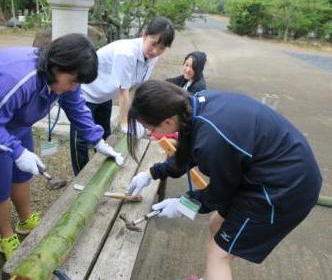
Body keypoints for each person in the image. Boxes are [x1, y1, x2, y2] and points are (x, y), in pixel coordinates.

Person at [126, 80, 322, 280]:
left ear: (167, 121)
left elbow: (220, 194)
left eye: (151, 129)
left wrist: (182, 205)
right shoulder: (194, 106)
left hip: (282, 190)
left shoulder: (212, 138)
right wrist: (152, 173)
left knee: (218, 256)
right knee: (216, 225)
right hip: (274, 172)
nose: (152, 134)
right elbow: (187, 153)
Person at [0, 33, 123, 259]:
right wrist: (16, 150)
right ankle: (6, 237)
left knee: (22, 170)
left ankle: (25, 220)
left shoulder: (64, 79)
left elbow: (77, 108)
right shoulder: (17, 78)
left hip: (14, 115)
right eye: (73, 81)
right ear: (57, 66)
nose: (74, 87)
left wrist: (97, 140)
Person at [70, 16, 175, 175]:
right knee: (81, 140)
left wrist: (140, 119)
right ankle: (80, 178)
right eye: (153, 44)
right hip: (84, 93)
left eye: (161, 48)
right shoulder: (126, 53)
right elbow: (124, 91)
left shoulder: (152, 56)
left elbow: (138, 88)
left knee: (104, 134)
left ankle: (101, 170)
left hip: (104, 95)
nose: (155, 51)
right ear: (145, 34)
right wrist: (126, 124)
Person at [150, 51, 207, 141]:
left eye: (193, 67)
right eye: (186, 65)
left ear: (199, 69)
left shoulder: (198, 87)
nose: (188, 69)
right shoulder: (187, 78)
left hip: (185, 125)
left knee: (154, 135)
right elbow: (168, 82)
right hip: (177, 118)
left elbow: (184, 107)